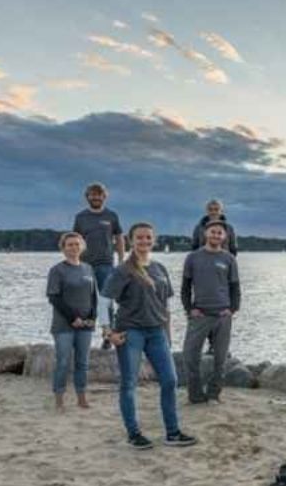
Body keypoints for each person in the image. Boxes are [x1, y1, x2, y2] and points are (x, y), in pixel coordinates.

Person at [101, 222, 196, 450]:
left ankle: (172, 433)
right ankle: (134, 434)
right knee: (129, 383)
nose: (144, 241)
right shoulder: (123, 270)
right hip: (130, 331)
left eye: (148, 238)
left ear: (154, 240)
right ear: (131, 240)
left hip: (156, 331)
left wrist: (168, 333)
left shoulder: (160, 268)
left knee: (170, 380)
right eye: (139, 238)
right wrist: (107, 332)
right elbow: (104, 301)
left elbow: (164, 305)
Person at [182, 221, 241, 404]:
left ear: (224, 237)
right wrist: (190, 309)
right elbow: (185, 287)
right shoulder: (193, 257)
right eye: (213, 232)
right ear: (206, 233)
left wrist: (232, 309)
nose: (216, 235)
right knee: (190, 356)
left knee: (220, 359)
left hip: (222, 315)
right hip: (200, 315)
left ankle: (214, 394)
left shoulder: (229, 259)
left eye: (219, 233)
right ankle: (196, 395)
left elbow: (235, 287)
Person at [46, 232, 97, 412]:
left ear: (82, 247)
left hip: (85, 326)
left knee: (83, 363)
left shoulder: (88, 269)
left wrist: (92, 318)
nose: (74, 248)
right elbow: (54, 297)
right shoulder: (57, 270)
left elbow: (93, 296)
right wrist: (72, 318)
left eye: (77, 244)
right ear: (63, 248)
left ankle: (81, 397)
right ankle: (59, 400)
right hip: (63, 325)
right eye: (70, 245)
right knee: (63, 362)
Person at [72, 183, 125, 350]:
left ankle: (108, 335)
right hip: (84, 265)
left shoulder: (112, 216)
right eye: (92, 195)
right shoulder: (81, 217)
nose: (96, 197)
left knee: (106, 301)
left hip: (106, 264)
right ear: (87, 197)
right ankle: (83, 335)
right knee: (84, 301)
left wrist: (122, 260)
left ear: (104, 196)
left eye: (99, 194)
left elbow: (120, 238)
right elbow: (75, 240)